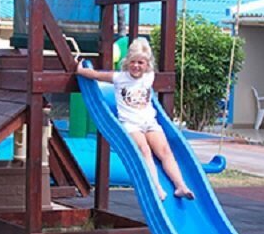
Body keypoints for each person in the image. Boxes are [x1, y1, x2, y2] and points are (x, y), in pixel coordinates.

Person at [76, 37, 194, 201]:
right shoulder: (119, 78)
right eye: (133, 62)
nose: (136, 66)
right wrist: (81, 71)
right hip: (131, 125)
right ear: (127, 62)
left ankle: (180, 185)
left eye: (141, 63)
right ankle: (157, 187)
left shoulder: (149, 77)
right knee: (145, 150)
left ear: (147, 65)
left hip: (149, 122)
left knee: (165, 151)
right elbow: (97, 75)